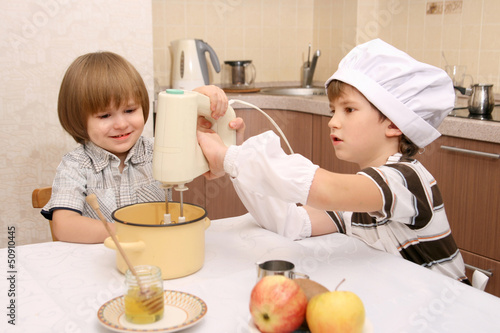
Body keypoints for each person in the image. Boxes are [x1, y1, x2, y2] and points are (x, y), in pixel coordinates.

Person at [197, 39, 470, 284]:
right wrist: (235, 158)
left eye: (349, 110)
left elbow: (326, 190)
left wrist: (230, 158)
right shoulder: (358, 202)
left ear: (393, 123)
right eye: (333, 111)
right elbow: (290, 222)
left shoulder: (406, 180)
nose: (333, 122)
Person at [42, 51, 244, 243]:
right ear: (78, 119)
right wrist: (127, 232)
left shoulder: (159, 150)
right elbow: (64, 225)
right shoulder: (75, 165)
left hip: (157, 256)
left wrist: (201, 101)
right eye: (105, 116)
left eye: (130, 110)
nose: (121, 124)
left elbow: (213, 161)